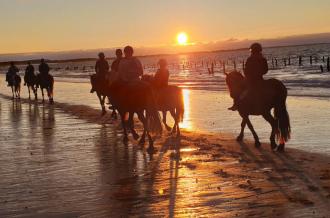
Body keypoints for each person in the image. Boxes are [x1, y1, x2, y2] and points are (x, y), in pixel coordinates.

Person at [228, 42, 268, 111]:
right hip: (260, 79)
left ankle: (236, 104)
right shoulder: (263, 59)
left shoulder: (250, 59)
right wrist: (258, 74)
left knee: (239, 88)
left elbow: (246, 70)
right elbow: (265, 70)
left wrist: (249, 75)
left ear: (252, 50)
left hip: (251, 80)